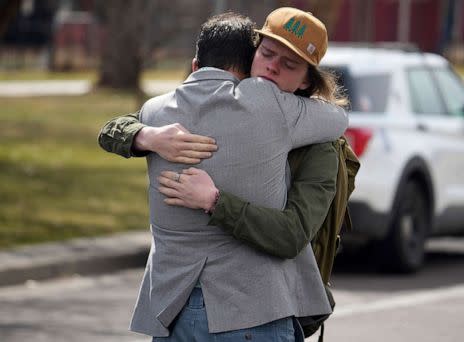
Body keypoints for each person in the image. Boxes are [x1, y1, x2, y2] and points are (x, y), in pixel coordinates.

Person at [99, 10, 349, 342]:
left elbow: (292, 235)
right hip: (182, 313)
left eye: (289, 64)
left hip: (254, 311)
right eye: (267, 53)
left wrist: (215, 202)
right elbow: (114, 129)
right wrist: (147, 137)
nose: (273, 66)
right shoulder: (181, 112)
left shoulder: (319, 145)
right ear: (250, 58)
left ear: (306, 79)